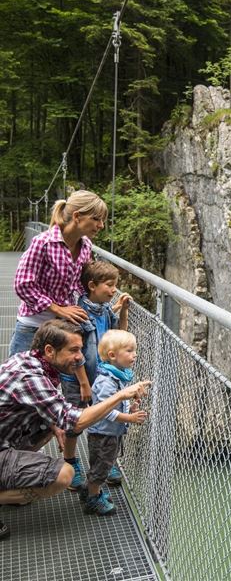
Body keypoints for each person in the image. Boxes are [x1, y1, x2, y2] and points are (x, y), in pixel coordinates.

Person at [0, 320, 150, 539]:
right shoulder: (30, 376)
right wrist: (121, 395)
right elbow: (74, 421)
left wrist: (53, 425)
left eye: (80, 349)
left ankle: (11, 482)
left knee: (53, 427)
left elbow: (45, 407)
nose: (81, 356)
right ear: (50, 350)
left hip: (7, 436)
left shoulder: (31, 362)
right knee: (64, 476)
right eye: (74, 350)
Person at [9, 189, 107, 357]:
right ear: (77, 216)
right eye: (96, 219)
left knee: (51, 382)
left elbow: (79, 284)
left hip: (62, 328)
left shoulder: (86, 246)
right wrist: (59, 309)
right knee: (19, 379)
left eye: (102, 220)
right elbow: (22, 285)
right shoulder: (43, 243)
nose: (101, 225)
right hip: (33, 325)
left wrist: (101, 302)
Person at [59, 261, 131, 490]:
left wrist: (123, 310)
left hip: (100, 379)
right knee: (76, 422)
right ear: (92, 285)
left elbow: (118, 335)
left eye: (115, 285)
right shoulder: (79, 314)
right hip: (78, 379)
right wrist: (83, 383)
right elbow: (76, 351)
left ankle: (103, 462)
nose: (113, 290)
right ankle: (70, 463)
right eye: (109, 286)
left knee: (102, 419)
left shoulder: (105, 309)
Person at [82, 330, 147, 516]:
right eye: (129, 350)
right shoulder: (106, 381)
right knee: (101, 467)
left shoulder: (117, 375)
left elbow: (118, 402)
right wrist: (129, 418)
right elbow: (105, 410)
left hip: (110, 432)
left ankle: (90, 492)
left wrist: (130, 409)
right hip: (103, 434)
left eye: (134, 350)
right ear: (112, 355)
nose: (134, 354)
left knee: (104, 464)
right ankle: (93, 500)